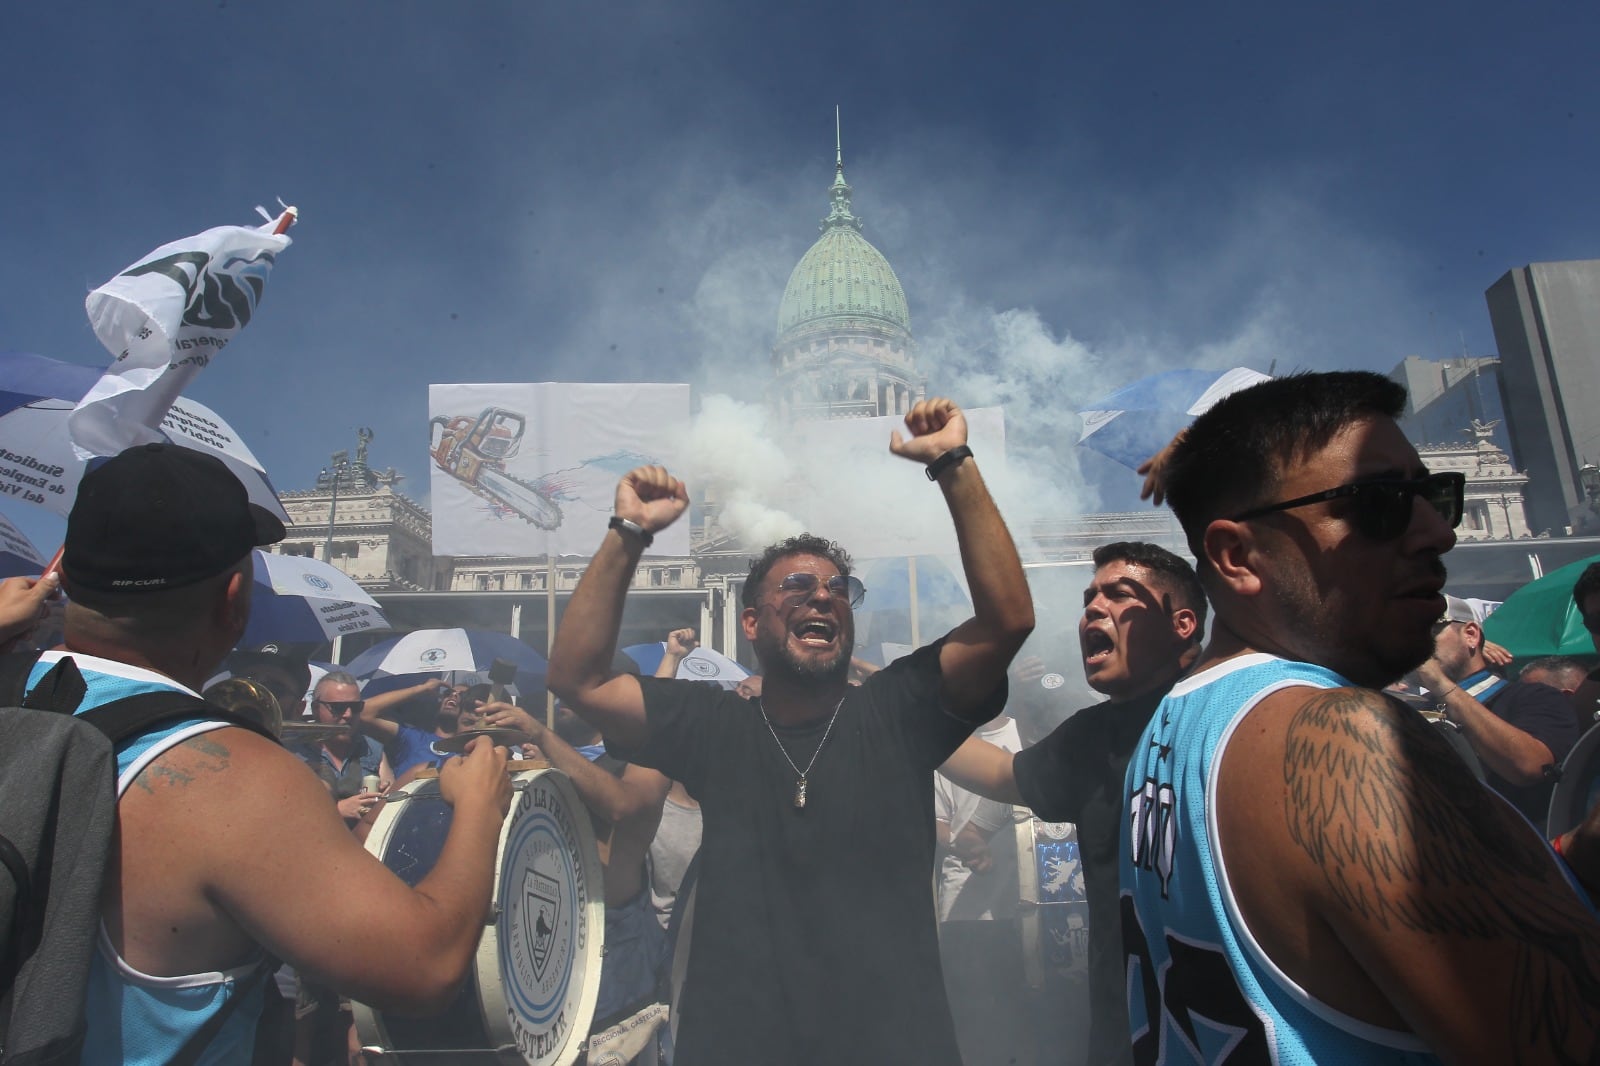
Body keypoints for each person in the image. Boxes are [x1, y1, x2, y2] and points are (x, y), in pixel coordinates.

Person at [1124, 371, 1600, 1063]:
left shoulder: (1176, 720)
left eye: (1436, 496)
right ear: (1237, 556)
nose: (1439, 532)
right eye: (1379, 505)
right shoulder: (1342, 735)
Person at [547, 398, 1034, 1066]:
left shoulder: (898, 711)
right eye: (797, 586)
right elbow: (577, 680)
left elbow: (1007, 620)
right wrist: (627, 530)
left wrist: (953, 463)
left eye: (839, 588)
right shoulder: (713, 724)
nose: (823, 596)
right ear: (750, 624)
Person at [34, 442, 512, 1063]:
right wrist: (477, 808)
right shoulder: (227, 773)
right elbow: (424, 970)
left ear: (63, 573)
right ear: (236, 600)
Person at [939, 541, 1205, 1066]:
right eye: (1089, 598)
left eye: (1119, 594)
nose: (1093, 609)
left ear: (1183, 624)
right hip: (1122, 1030)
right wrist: (906, 714)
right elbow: (1000, 774)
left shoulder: (1224, 716)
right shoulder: (1092, 735)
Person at [484, 687, 672, 1030]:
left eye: (577, 694)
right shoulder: (556, 756)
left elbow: (621, 805)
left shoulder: (650, 758)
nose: (563, 703)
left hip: (613, 935)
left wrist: (541, 733)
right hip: (549, 920)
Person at [1417, 593, 1578, 823]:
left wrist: (1440, 683)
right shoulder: (1411, 708)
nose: (1417, 645)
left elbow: (1531, 766)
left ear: (1471, 635)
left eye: (1430, 632)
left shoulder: (1534, 696)